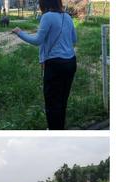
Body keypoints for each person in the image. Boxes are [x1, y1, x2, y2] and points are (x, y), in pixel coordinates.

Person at [12, 0, 77, 130]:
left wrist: (20, 32)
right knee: (63, 100)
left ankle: (54, 131)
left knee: (52, 102)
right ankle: (60, 129)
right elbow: (74, 39)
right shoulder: (68, 17)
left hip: (55, 65)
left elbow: (37, 40)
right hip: (70, 62)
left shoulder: (47, 17)